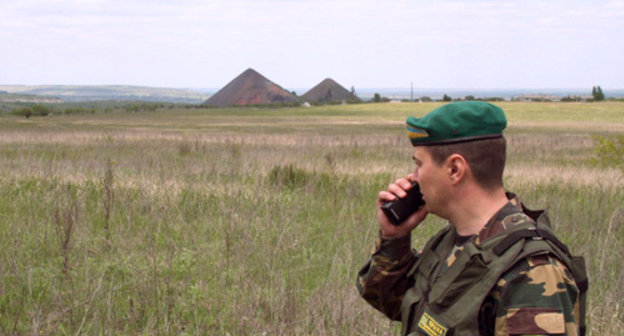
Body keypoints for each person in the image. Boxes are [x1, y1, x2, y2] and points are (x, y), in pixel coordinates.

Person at [357, 101, 587, 336]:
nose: (413, 178)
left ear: (455, 169)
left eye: (419, 165)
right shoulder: (450, 242)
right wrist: (394, 239)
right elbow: (399, 305)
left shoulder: (531, 271)